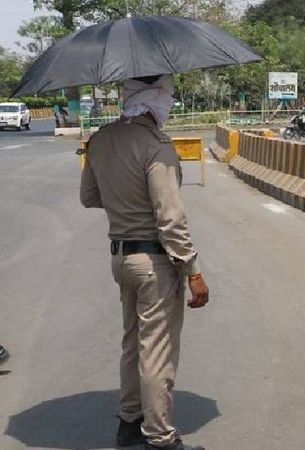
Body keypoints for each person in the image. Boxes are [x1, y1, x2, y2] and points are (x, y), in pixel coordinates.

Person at [80, 75, 208, 450]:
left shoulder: (101, 139)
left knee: (133, 343)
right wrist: (193, 270)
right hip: (154, 262)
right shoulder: (156, 146)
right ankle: (161, 436)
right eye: (167, 95)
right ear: (153, 98)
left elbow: (89, 196)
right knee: (158, 349)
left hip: (121, 257)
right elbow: (171, 218)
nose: (169, 103)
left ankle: (130, 422)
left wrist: (124, 201)